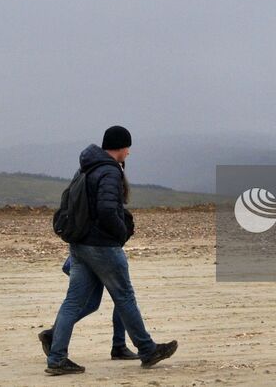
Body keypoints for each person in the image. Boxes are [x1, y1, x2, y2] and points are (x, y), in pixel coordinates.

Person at [42, 125, 178, 375]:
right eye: (128, 148)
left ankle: (57, 357)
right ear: (121, 147)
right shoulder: (109, 171)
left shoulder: (86, 167)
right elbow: (106, 210)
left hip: (80, 245)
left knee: (73, 302)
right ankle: (147, 350)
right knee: (125, 297)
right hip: (102, 246)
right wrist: (121, 233)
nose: (128, 153)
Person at [37, 254, 140, 362]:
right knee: (123, 299)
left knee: (92, 304)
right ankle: (120, 346)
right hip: (103, 253)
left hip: (87, 253)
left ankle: (52, 334)